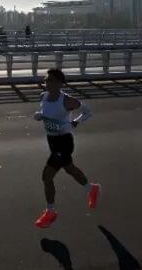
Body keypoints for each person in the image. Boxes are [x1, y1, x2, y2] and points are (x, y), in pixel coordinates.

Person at [32, 68, 100, 228]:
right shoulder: (43, 96)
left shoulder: (67, 101)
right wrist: (39, 115)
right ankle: (92, 188)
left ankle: (50, 212)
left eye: (50, 80)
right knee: (69, 169)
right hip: (52, 141)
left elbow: (87, 112)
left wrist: (76, 122)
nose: (46, 83)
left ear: (59, 83)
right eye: (46, 80)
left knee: (47, 176)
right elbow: (44, 111)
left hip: (64, 142)